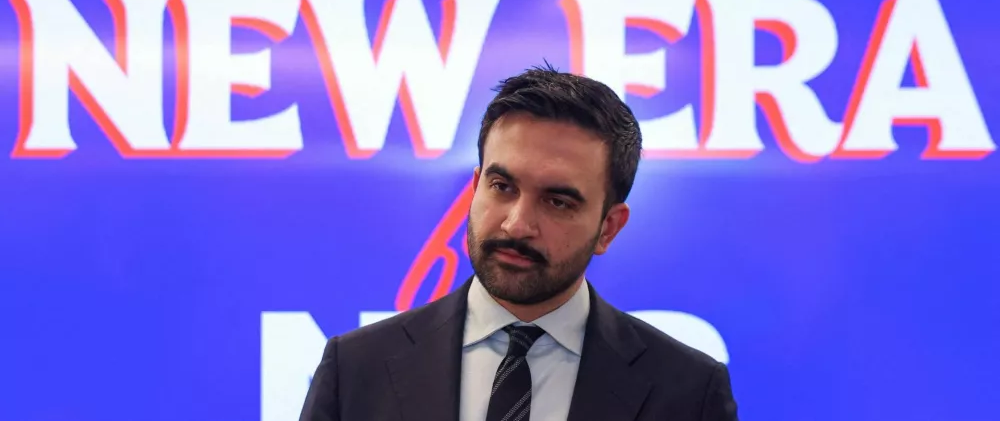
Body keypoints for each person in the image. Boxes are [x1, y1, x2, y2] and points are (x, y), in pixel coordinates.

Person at [299, 64, 739, 421]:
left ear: (608, 227)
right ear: (475, 188)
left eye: (558, 201)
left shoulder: (687, 392)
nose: (516, 224)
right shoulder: (358, 368)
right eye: (502, 187)